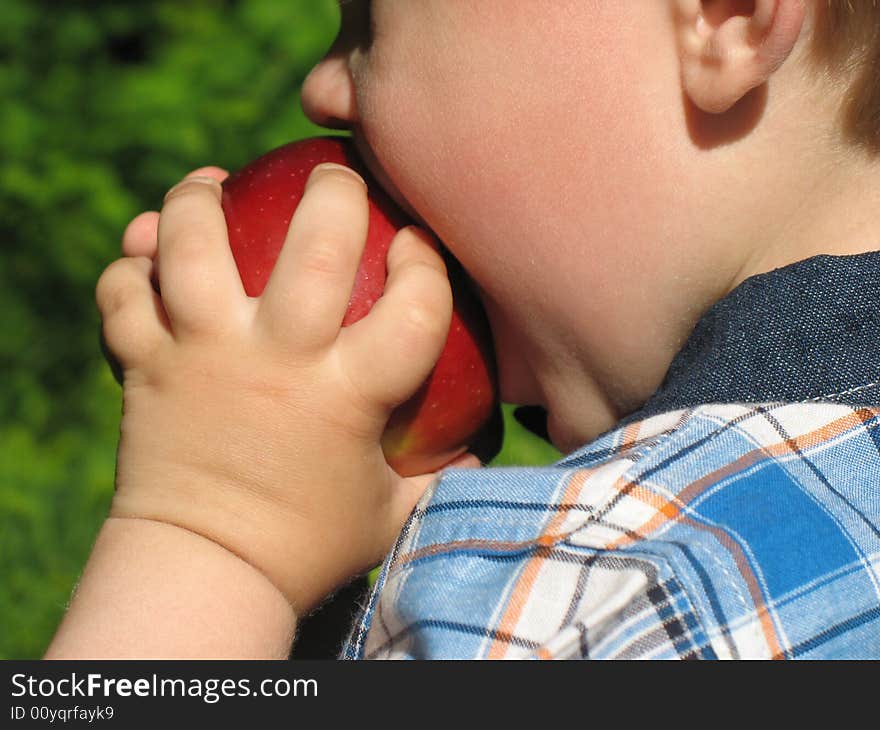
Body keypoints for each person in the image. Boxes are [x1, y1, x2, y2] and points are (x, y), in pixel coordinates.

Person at [46, 0, 880, 659]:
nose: (322, 89)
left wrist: (211, 532)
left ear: (722, 12)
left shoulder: (607, 603)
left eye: (371, 16)